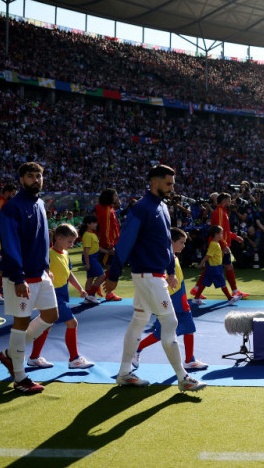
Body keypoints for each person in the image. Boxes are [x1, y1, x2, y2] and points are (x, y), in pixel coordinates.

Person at [104, 165, 205, 392]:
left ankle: (124, 373)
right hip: (148, 275)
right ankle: (183, 377)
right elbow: (124, 242)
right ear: (154, 182)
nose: (172, 188)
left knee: (139, 321)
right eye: (168, 183)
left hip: (154, 274)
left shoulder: (162, 207)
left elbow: (165, 242)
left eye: (172, 183)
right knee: (170, 322)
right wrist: (113, 275)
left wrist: (170, 270)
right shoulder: (141, 208)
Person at [0, 163, 58, 394]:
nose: (35, 180)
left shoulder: (40, 203)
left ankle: (11, 354)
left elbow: (41, 239)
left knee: (52, 315)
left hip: (41, 274)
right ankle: (20, 378)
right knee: (20, 324)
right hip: (20, 277)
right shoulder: (12, 207)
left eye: (38, 176)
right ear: (21, 180)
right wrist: (18, 277)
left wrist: (46, 266)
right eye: (30, 176)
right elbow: (10, 245)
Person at [134, 227, 208, 371]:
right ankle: (137, 349)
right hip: (169, 301)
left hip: (181, 299)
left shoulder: (174, 258)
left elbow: (178, 281)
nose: (183, 245)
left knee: (189, 328)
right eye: (181, 242)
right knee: (160, 333)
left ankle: (190, 360)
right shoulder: (163, 260)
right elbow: (161, 282)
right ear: (171, 242)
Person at [27, 224, 94, 369]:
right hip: (52, 294)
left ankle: (34, 357)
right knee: (72, 323)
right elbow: (37, 270)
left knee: (46, 325)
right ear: (58, 238)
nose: (72, 245)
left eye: (73, 242)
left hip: (62, 293)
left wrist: (80, 289)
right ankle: (74, 359)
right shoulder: (48, 254)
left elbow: (69, 273)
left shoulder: (65, 254)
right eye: (69, 241)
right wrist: (45, 274)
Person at [191, 193, 247, 300]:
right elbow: (219, 231)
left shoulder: (222, 211)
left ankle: (196, 290)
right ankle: (235, 292)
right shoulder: (220, 212)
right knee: (227, 267)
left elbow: (223, 231)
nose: (231, 202)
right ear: (224, 201)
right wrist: (224, 245)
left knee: (210, 268)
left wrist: (235, 237)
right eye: (229, 200)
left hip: (219, 244)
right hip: (219, 245)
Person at [198, 225, 239, 302]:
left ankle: (196, 298)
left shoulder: (215, 243)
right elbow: (208, 255)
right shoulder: (214, 244)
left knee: (204, 283)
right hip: (215, 268)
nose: (222, 235)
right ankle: (230, 298)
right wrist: (201, 263)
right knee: (222, 283)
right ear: (216, 234)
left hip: (213, 267)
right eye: (221, 233)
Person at [79, 215, 107, 303]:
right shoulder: (87, 235)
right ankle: (90, 295)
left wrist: (107, 251)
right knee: (102, 275)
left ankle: (88, 297)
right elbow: (86, 251)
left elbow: (97, 247)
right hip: (91, 258)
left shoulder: (92, 234)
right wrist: (87, 263)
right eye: (94, 223)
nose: (96, 224)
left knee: (90, 277)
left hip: (92, 257)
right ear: (88, 224)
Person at [96, 188, 120, 268]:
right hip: (109, 245)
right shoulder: (106, 210)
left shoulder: (109, 208)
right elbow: (106, 229)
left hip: (112, 243)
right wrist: (110, 246)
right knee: (111, 270)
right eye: (115, 195)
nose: (116, 197)